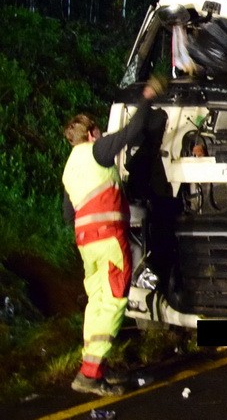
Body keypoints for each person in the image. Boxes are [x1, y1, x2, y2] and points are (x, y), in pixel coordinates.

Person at [61, 77, 165, 397]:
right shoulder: (96, 150)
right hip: (108, 240)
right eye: (100, 133)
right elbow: (131, 133)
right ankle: (89, 375)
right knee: (116, 300)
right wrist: (147, 98)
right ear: (92, 133)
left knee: (98, 302)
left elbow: (68, 214)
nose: (103, 136)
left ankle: (93, 368)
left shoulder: (69, 168)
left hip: (86, 244)